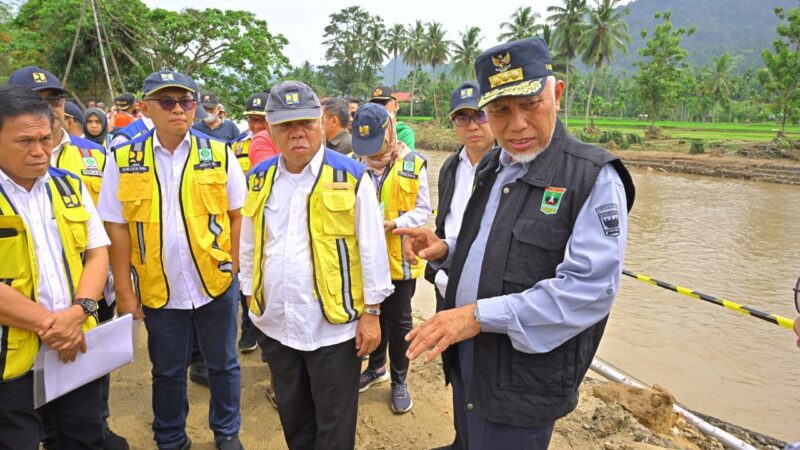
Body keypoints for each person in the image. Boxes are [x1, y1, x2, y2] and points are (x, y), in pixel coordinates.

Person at [395, 37, 636, 450]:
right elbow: (491, 244)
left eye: (530, 105)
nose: (517, 124)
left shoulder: (592, 177)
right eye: (501, 110)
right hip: (470, 351)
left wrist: (475, 317)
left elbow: (588, 291)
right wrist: (447, 251)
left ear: (556, 94)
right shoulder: (494, 164)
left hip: (525, 375)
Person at [239, 80, 392, 449]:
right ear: (270, 130)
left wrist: (372, 314)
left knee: (335, 426)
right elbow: (249, 244)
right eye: (286, 126)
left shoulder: (351, 177)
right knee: (294, 418)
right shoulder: (259, 179)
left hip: (334, 330)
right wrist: (249, 296)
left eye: (305, 123)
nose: (297, 134)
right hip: (277, 325)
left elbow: (372, 251)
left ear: (322, 123)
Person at [98, 70, 246, 450]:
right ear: (146, 108)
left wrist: (234, 267)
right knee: (166, 371)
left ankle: (227, 432)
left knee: (223, 365)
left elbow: (237, 215)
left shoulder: (219, 153)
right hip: (158, 287)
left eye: (186, 101)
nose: (178, 109)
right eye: (167, 102)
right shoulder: (124, 159)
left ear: (195, 107)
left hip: (215, 283)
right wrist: (126, 292)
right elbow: (115, 228)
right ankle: (170, 437)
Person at [0, 84, 108, 450]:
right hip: (9, 358)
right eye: (24, 141)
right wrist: (50, 326)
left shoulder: (69, 187)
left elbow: (96, 254)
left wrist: (80, 312)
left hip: (73, 347)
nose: (39, 150)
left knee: (84, 437)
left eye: (45, 138)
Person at [349, 103, 431, 414]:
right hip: (365, 264)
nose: (371, 153)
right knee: (370, 318)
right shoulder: (351, 166)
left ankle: (399, 380)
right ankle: (375, 368)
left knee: (398, 324)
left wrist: (396, 223)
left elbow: (424, 210)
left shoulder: (414, 164)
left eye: (377, 145)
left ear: (390, 130)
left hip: (400, 260)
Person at [424, 81, 496, 312]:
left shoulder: (509, 168)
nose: (472, 126)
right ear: (453, 123)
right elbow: (444, 221)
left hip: (488, 292)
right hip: (447, 282)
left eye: (480, 115)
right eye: (462, 118)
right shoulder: (450, 167)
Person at [229, 91, 270, 354]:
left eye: (260, 121)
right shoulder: (236, 146)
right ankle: (248, 329)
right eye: (251, 120)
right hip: (246, 219)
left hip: (270, 218)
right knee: (248, 274)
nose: (255, 126)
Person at [369, 86, 414, 150]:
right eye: (375, 104)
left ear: (396, 105)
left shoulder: (405, 133)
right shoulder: (369, 130)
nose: (378, 107)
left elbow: (407, 158)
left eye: (383, 103)